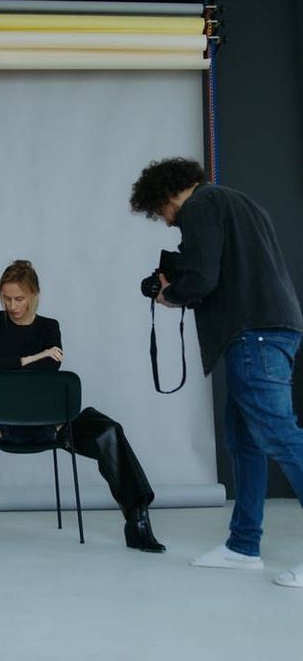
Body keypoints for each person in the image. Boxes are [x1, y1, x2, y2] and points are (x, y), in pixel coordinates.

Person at [0, 259, 165, 561]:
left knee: (109, 431)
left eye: (19, 298)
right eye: (6, 298)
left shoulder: (48, 327)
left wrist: (5, 362)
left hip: (49, 426)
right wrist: (32, 358)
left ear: (34, 295)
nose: (11, 305)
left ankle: (138, 522)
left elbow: (48, 365)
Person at [130, 156, 303, 587]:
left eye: (161, 212)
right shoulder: (241, 202)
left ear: (168, 194)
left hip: (253, 334)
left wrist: (172, 292)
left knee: (280, 435)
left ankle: (244, 544)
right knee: (244, 442)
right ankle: (243, 546)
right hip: (268, 328)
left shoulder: (201, 206)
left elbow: (204, 278)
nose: (168, 223)